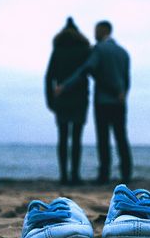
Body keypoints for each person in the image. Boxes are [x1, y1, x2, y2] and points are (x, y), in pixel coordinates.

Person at [55, 20, 132, 184]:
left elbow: (86, 69)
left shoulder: (99, 49)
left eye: (96, 31)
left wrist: (65, 85)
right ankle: (126, 174)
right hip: (120, 102)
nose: (94, 34)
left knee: (103, 139)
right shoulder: (123, 52)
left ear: (103, 31)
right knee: (121, 137)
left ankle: (104, 175)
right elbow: (127, 79)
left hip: (103, 101)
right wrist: (123, 94)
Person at [45, 17, 91, 185]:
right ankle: (75, 175)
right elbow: (89, 72)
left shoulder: (58, 49)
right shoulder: (84, 49)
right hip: (80, 98)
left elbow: (49, 76)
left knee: (63, 137)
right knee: (77, 138)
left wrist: (50, 100)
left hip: (61, 98)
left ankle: (63, 175)